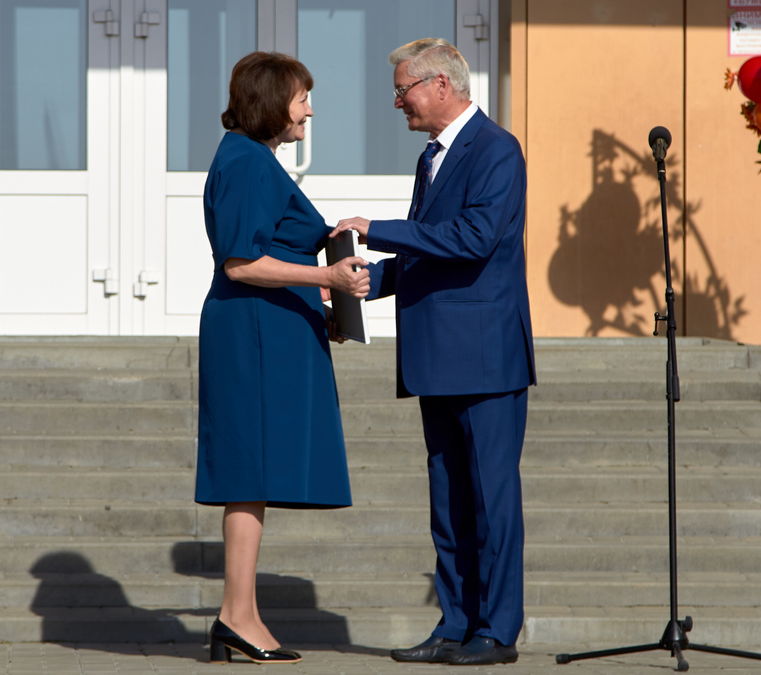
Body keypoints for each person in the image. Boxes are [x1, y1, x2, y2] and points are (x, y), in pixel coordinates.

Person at [330, 38, 536, 666]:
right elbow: (428, 251)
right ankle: (455, 625)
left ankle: (496, 632)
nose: (398, 102)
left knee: (491, 501)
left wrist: (376, 229)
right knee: (448, 503)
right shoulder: (433, 157)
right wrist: (366, 281)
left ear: (441, 85)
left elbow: (473, 238)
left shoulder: (496, 149)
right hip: (436, 356)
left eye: (404, 90)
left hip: (485, 355)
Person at [196, 51, 371, 665]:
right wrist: (326, 276)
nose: (310, 111)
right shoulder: (246, 161)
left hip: (268, 328)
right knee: (247, 472)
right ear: (273, 102)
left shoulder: (253, 159)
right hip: (253, 332)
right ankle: (236, 616)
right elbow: (241, 262)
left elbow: (270, 252)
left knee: (253, 474)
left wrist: (320, 298)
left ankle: (238, 614)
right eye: (302, 99)